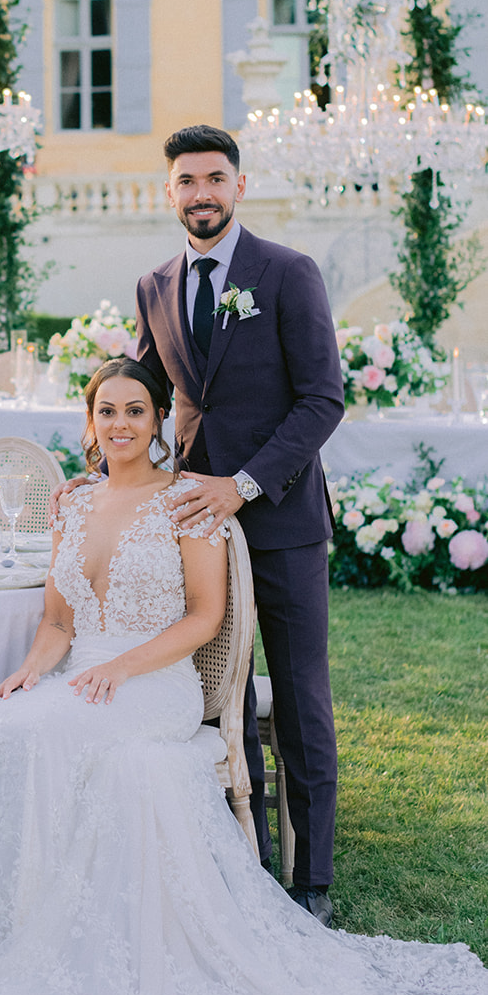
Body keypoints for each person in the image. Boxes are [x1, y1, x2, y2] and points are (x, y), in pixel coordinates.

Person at [0, 359, 488, 995]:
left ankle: (55, 944)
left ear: (157, 421)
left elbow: (203, 618)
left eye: (134, 410)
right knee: (3, 728)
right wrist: (30, 671)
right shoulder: (72, 502)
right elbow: (57, 621)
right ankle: (28, 936)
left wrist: (120, 668)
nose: (119, 424)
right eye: (106, 411)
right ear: (89, 422)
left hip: (154, 682)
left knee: (50, 736)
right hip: (82, 673)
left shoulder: (186, 502)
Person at [133, 123, 344, 924]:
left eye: (215, 178)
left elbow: (322, 399)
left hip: (282, 521)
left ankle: (312, 879)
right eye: (187, 181)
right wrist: (98, 474)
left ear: (239, 186)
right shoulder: (155, 285)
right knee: (212, 692)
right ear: (170, 193)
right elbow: (144, 393)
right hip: (194, 530)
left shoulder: (287, 274)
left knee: (294, 695)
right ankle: (240, 859)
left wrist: (243, 486)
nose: (202, 194)